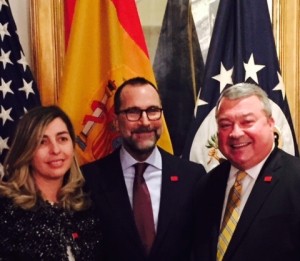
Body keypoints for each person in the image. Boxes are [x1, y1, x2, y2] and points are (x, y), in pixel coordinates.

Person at [82, 76, 206, 261]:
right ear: (116, 121)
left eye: (153, 110)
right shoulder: (90, 179)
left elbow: (201, 248)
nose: (145, 122)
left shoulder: (192, 177)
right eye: (133, 112)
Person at [194, 82, 300, 261]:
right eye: (226, 124)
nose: (235, 133)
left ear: (270, 123)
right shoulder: (207, 183)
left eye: (247, 122)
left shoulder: (296, 179)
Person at [0, 105, 103, 260]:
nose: (55, 150)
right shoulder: (6, 209)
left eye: (62, 139)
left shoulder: (86, 203)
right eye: (42, 142)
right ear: (26, 150)